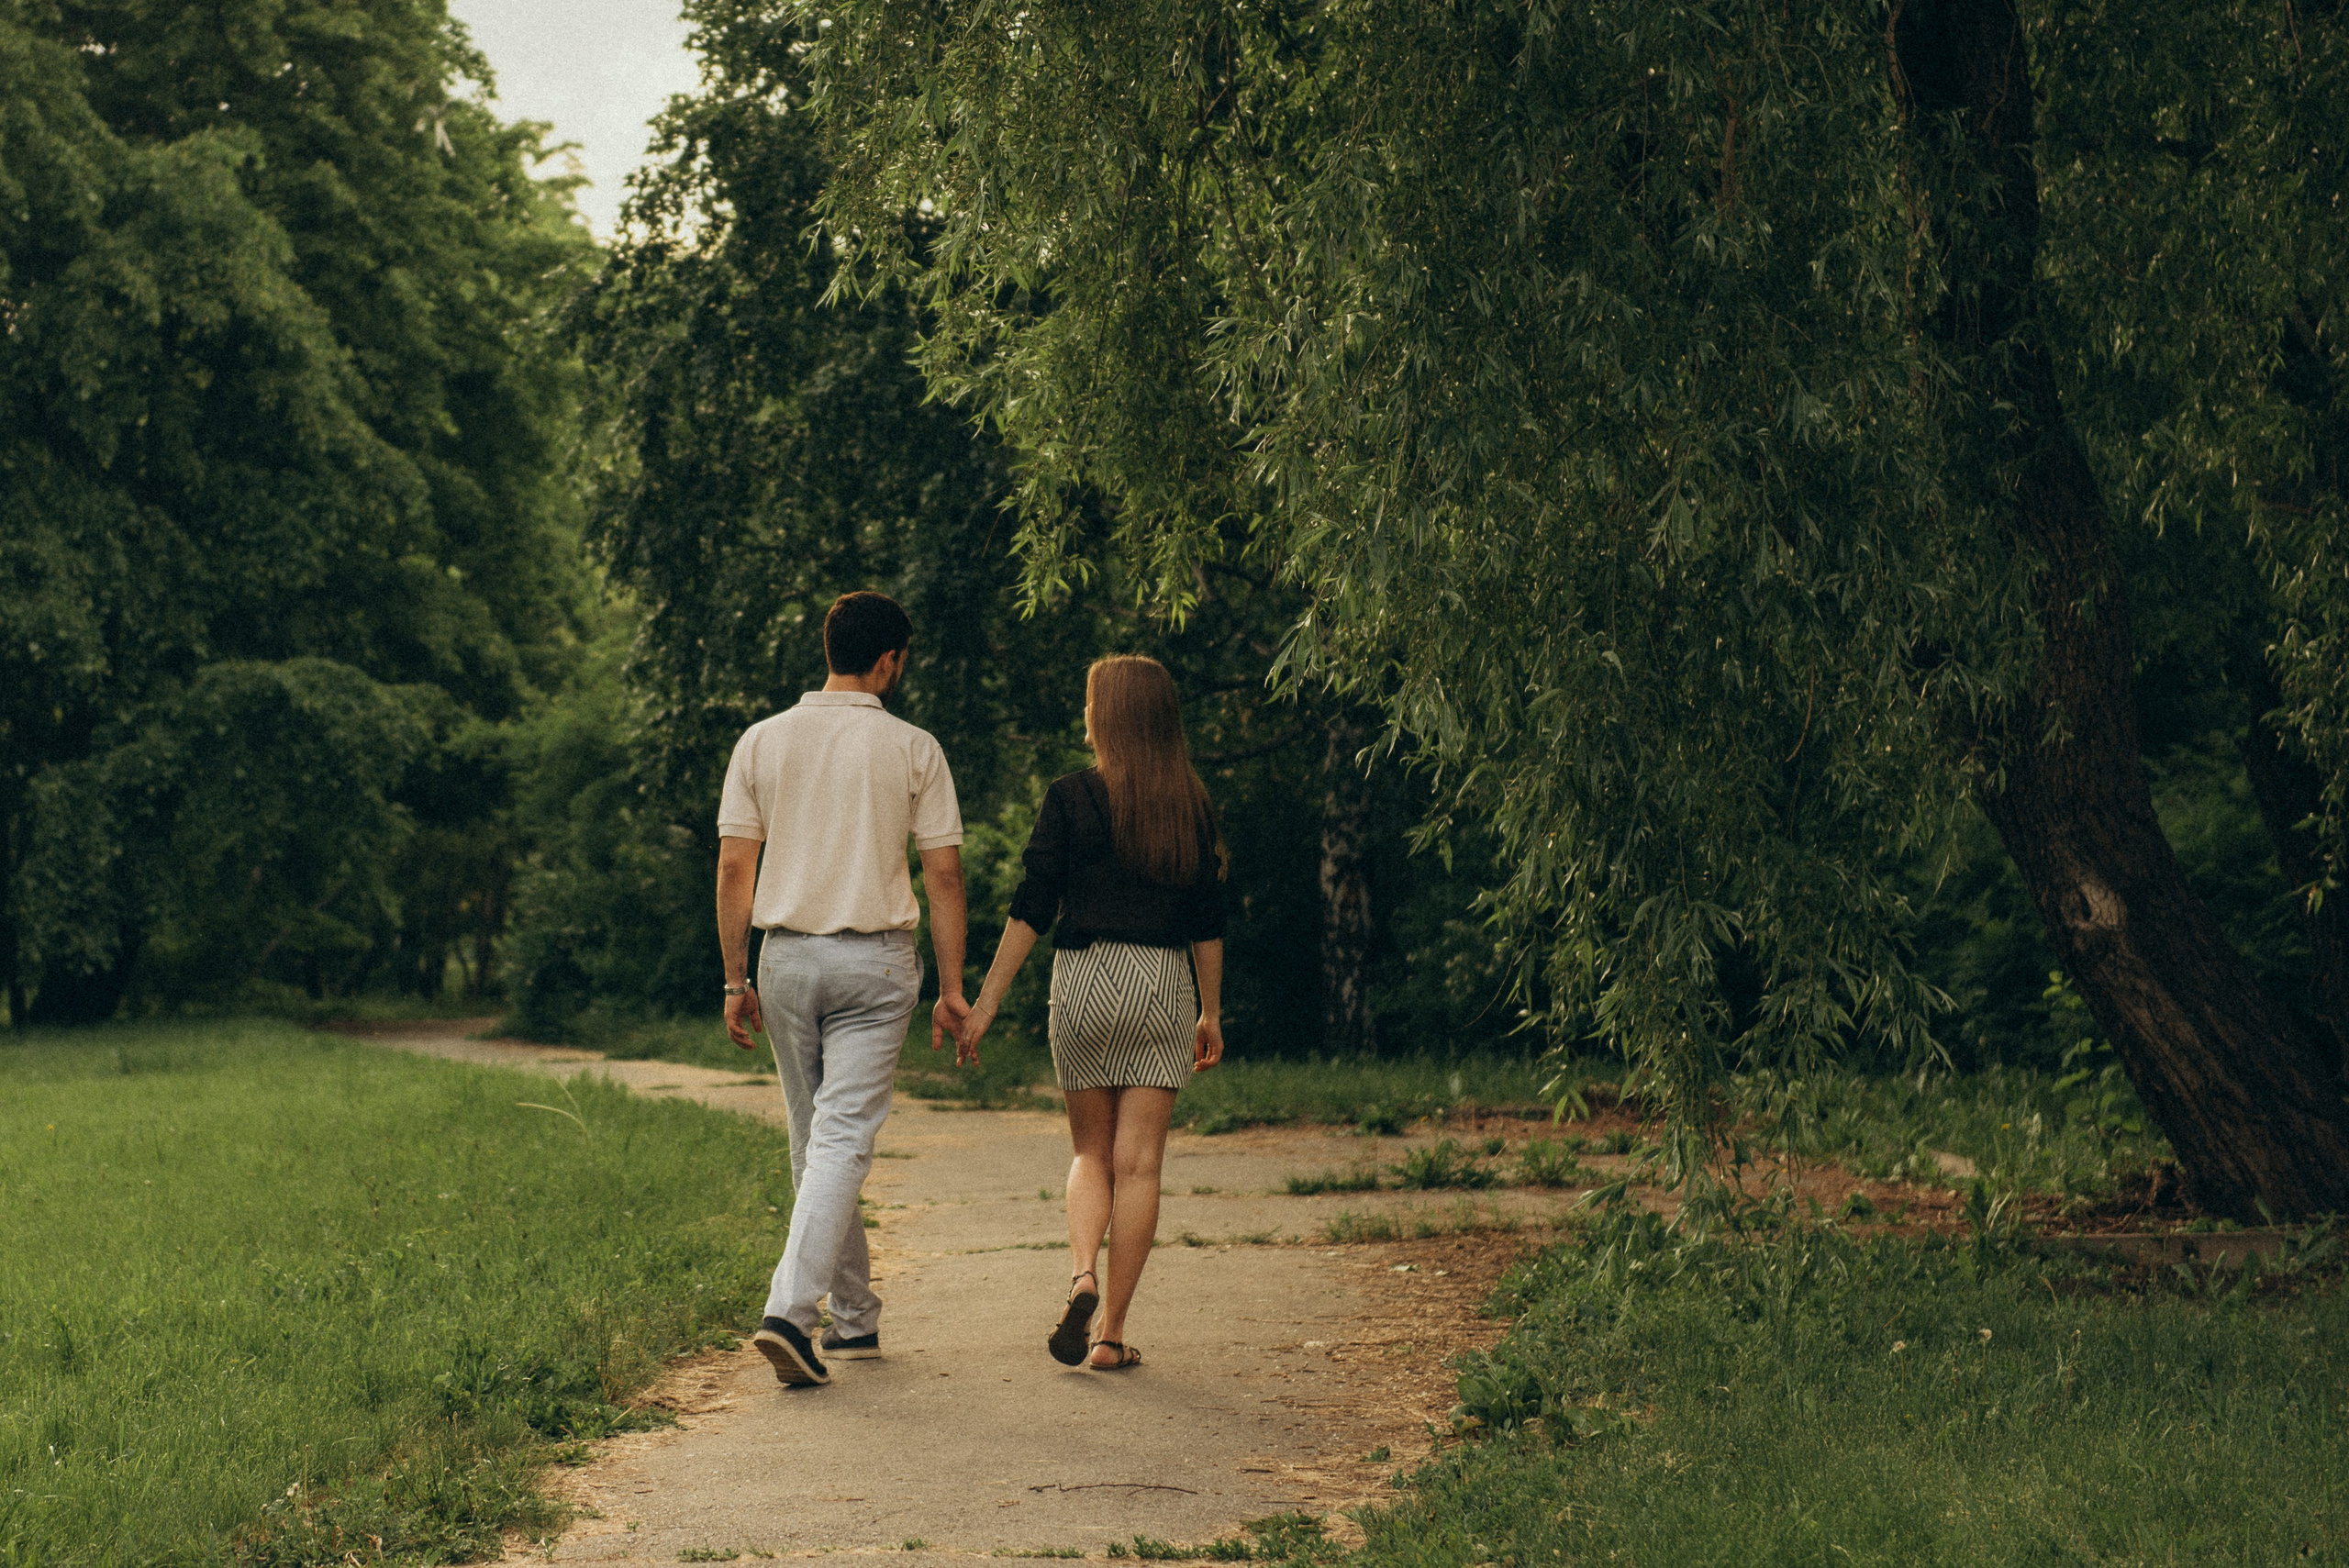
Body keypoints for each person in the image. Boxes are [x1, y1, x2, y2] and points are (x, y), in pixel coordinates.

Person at [715, 591, 972, 1388]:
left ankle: (854, 1318)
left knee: (816, 1137)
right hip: (875, 961)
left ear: (830, 647)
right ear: (888, 659)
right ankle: (790, 1312)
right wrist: (954, 987)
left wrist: (735, 977)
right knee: (840, 1137)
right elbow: (945, 873)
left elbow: (733, 868)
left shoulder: (761, 740)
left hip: (785, 958)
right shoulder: (914, 748)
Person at [957, 654, 1226, 1371]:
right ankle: (1110, 1335)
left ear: (1105, 717)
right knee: (1139, 1165)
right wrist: (1211, 1011)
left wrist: (984, 1004)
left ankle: (1081, 1272)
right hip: (1162, 981)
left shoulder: (1070, 796)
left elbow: (1032, 905)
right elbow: (1207, 917)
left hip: (1083, 978)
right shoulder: (1189, 802)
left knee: (1089, 1153)